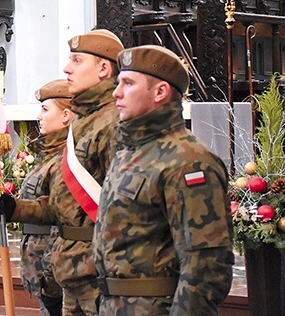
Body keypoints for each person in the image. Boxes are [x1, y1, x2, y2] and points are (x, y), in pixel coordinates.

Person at [93, 45, 234, 315]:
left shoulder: (188, 161)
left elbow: (205, 266)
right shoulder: (131, 152)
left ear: (160, 92)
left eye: (128, 83)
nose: (116, 92)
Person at [0, 29, 124, 315]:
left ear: (103, 68)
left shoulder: (113, 123)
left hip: (100, 271)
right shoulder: (85, 124)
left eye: (77, 61)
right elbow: (65, 208)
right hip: (72, 268)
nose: (67, 68)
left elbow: (125, 207)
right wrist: (16, 209)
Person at [19, 79, 72, 316]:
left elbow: (60, 219)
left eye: (46, 109)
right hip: (42, 270)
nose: (39, 115)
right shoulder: (51, 155)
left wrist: (51, 278)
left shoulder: (66, 159)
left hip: (53, 273)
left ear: (66, 116)